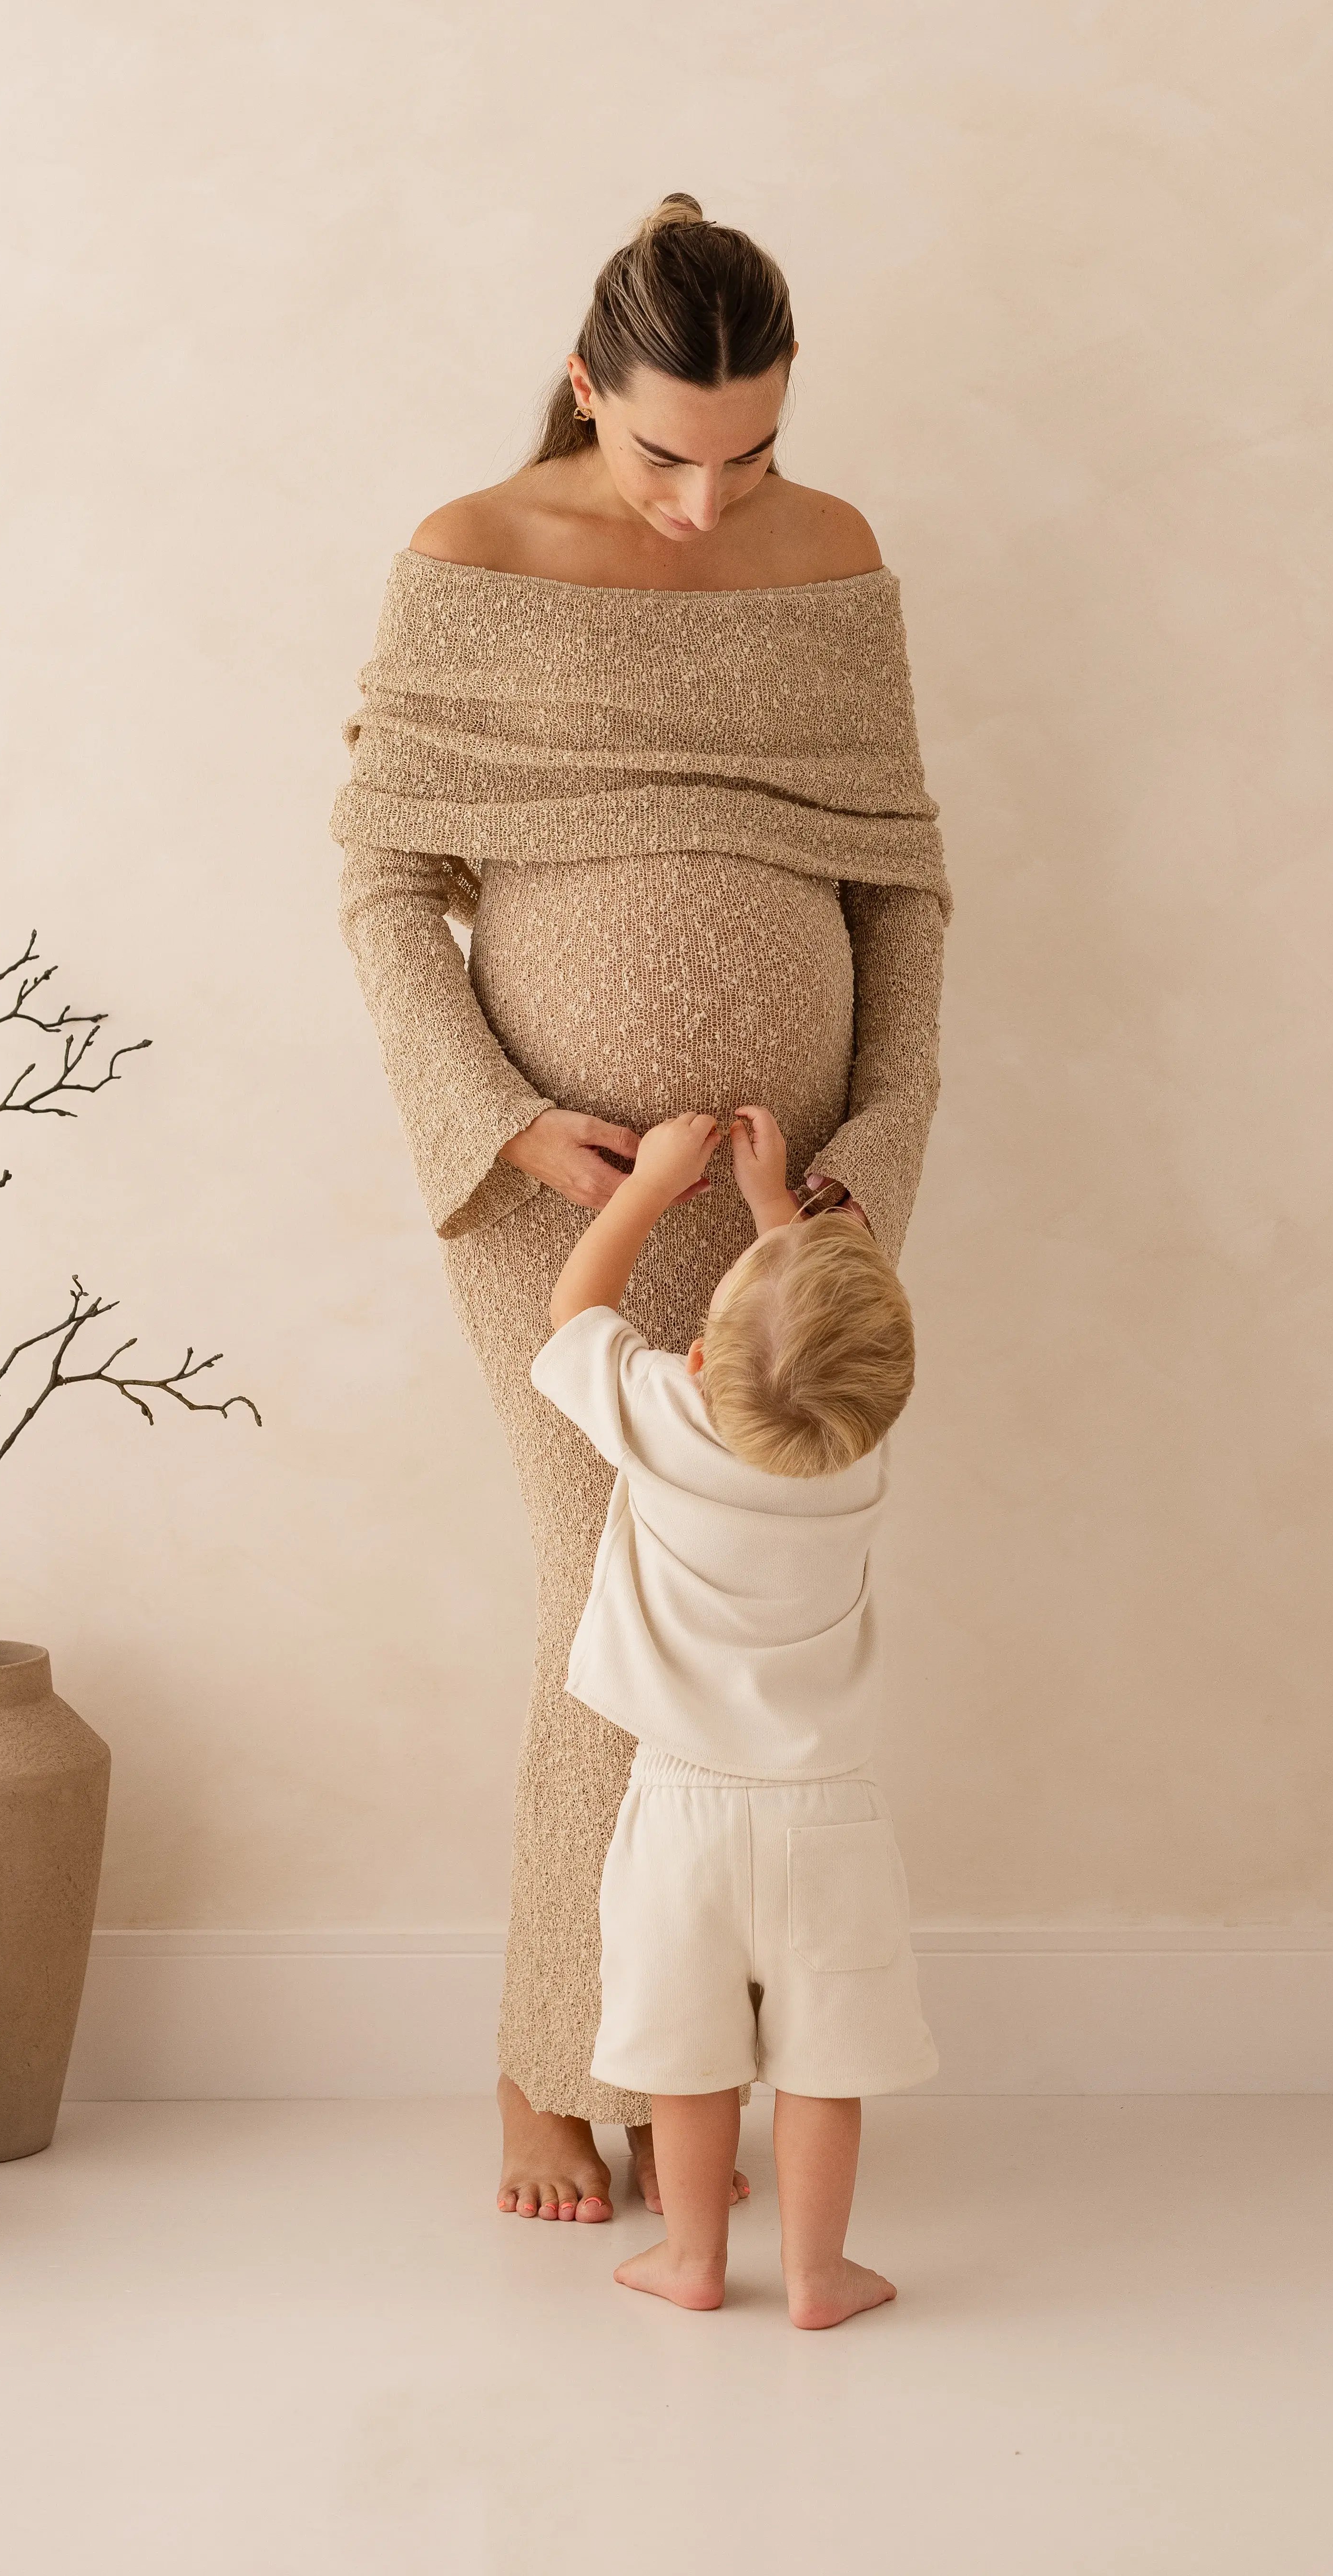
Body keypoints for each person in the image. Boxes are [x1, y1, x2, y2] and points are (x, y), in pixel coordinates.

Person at [334, 194, 948, 2221]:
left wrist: (878, 1133)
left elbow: (900, 889)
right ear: (588, 387)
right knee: (602, 1610)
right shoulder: (472, 556)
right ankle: (549, 2061)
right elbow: (385, 883)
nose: (706, 501)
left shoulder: (833, 555)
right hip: (557, 1192)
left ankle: (722, 2047)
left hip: (798, 1200)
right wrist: (503, 1118)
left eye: (748, 453)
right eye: (664, 450)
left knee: (765, 1619)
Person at [531, 1100, 934, 2326]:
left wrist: (653, 1186)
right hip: (832, 1817)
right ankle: (819, 2275)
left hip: (679, 1810)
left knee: (688, 2061)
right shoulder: (855, 1460)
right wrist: (776, 1214)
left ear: (702, 1361)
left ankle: (692, 2258)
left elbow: (571, 1321)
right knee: (824, 2066)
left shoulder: (667, 1417)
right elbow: (811, 1357)